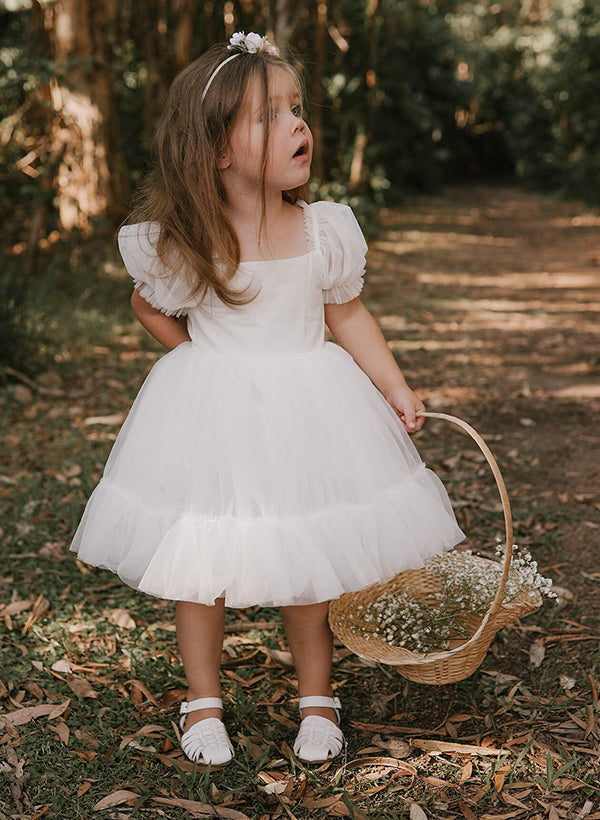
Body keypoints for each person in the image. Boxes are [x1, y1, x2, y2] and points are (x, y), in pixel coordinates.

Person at [71, 32, 464, 768]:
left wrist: (393, 383)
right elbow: (148, 303)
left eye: (297, 108)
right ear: (218, 151)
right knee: (201, 554)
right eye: (271, 116)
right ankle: (202, 701)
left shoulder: (323, 230)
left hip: (307, 408)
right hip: (213, 415)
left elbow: (347, 312)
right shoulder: (189, 239)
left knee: (305, 548)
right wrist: (195, 358)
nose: (298, 124)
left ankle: (317, 698)